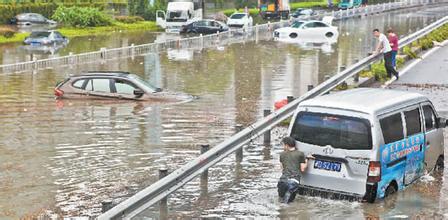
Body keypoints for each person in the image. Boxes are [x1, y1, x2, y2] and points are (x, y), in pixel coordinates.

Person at [277, 136, 314, 203]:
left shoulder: (282, 154)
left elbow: (282, 168)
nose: (283, 147)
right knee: (288, 204)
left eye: (283, 145)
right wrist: (307, 159)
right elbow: (303, 169)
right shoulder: (300, 154)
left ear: (287, 145)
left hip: (282, 181)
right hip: (293, 182)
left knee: (280, 202)